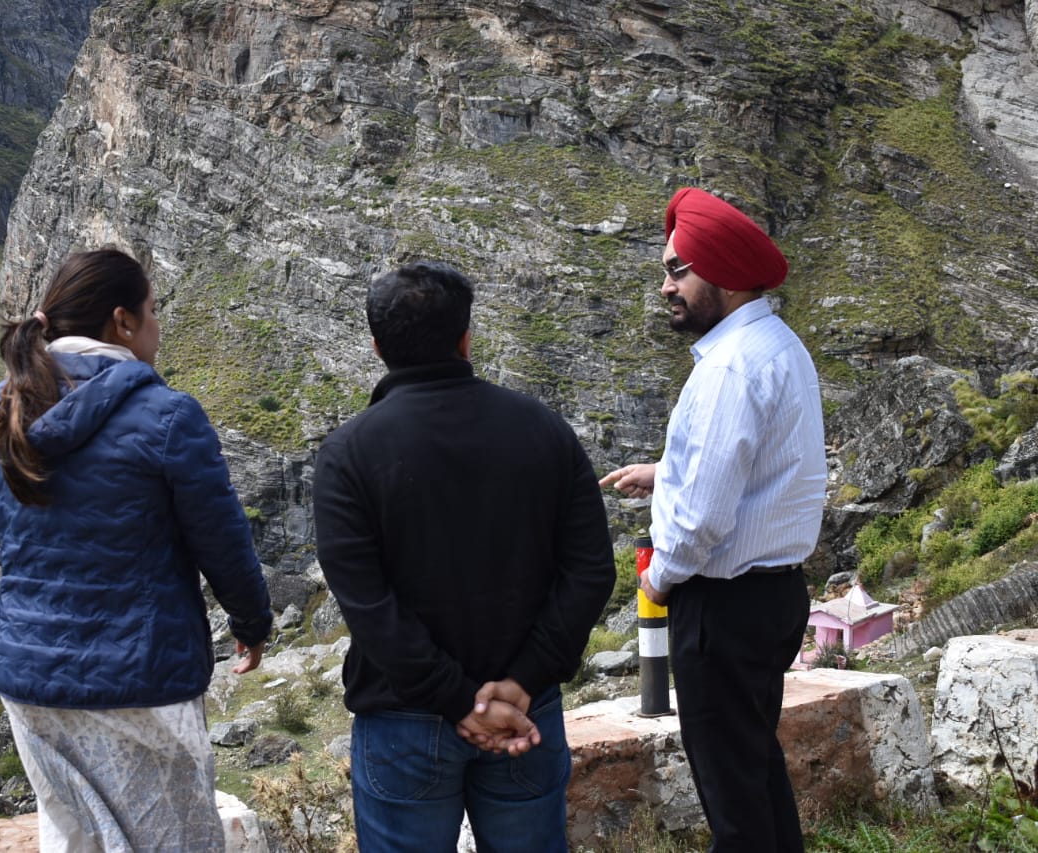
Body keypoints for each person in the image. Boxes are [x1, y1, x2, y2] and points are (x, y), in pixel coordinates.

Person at [0, 248, 273, 852]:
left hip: (30, 680)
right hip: (140, 676)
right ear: (123, 321)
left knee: (73, 839)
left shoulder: (0, 416)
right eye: (152, 311)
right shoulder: (167, 416)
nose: (158, 326)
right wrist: (252, 623)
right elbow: (222, 541)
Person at [313, 260, 616, 852]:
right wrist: (524, 680)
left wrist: (459, 701)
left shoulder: (348, 453)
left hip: (403, 722)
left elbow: (369, 605)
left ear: (377, 348)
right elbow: (589, 571)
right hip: (526, 715)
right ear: (465, 338)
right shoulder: (545, 430)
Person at [602, 188, 827, 853]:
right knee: (754, 769)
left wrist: (660, 579)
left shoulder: (728, 367)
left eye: (678, 270)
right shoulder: (778, 344)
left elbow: (702, 518)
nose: (665, 286)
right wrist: (666, 471)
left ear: (724, 275)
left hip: (722, 607)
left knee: (732, 800)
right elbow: (756, 464)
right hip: (773, 594)